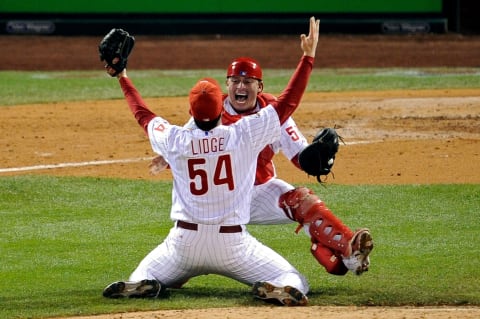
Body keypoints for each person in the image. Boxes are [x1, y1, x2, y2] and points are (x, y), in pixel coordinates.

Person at [102, 17, 320, 306]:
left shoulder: (176, 139)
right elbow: (287, 102)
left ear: (191, 111)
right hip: (233, 246)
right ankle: (283, 286)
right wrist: (308, 57)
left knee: (144, 271)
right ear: (222, 108)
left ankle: (144, 283)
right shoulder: (243, 134)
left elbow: (142, 113)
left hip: (183, 245)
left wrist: (122, 76)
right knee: (292, 276)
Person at [150, 39, 374, 278]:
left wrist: (316, 157)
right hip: (223, 197)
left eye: (248, 82)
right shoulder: (213, 109)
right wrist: (166, 156)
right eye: (235, 81)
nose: (240, 87)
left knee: (302, 200)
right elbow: (186, 139)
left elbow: (300, 157)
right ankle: (182, 267)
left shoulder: (273, 113)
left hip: (259, 192)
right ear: (227, 84)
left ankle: (350, 253)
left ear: (260, 86)